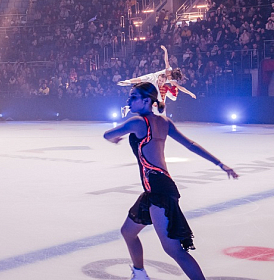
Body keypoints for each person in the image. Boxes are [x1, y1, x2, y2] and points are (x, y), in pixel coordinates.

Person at [102, 82, 238, 280]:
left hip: (159, 192)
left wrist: (115, 139)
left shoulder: (137, 122)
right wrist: (220, 163)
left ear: (146, 100)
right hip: (156, 189)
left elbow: (107, 134)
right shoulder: (164, 122)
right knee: (128, 232)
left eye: (133, 97)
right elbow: (190, 145)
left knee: (174, 250)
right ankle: (139, 274)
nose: (129, 100)